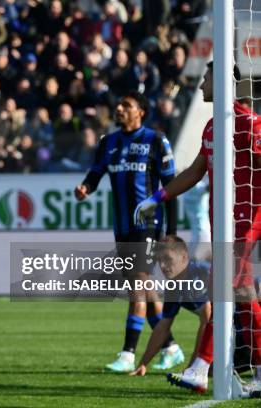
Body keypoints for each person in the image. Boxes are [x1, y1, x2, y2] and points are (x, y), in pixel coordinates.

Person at [134, 61, 261, 393]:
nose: (202, 83)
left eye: (206, 78)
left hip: (246, 220)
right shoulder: (212, 126)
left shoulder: (249, 124)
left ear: (220, 81)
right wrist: (156, 197)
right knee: (244, 298)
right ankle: (260, 371)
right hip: (224, 224)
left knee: (224, 289)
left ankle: (201, 367)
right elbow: (193, 173)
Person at [74, 90, 182, 373]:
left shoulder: (156, 140)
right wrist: (86, 187)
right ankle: (170, 347)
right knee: (145, 289)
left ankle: (128, 354)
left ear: (140, 112)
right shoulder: (108, 143)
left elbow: (170, 188)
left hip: (147, 225)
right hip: (121, 227)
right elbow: (96, 173)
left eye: (127, 105)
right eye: (119, 104)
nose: (120, 108)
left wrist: (170, 232)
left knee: (138, 287)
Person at [130, 236, 211, 381]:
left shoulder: (199, 274)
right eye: (159, 260)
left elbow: (208, 317)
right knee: (213, 370)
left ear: (184, 258)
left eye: (167, 258)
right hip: (230, 333)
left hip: (245, 328)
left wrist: (194, 366)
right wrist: (143, 364)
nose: (162, 265)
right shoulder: (173, 286)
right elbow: (163, 327)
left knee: (212, 369)